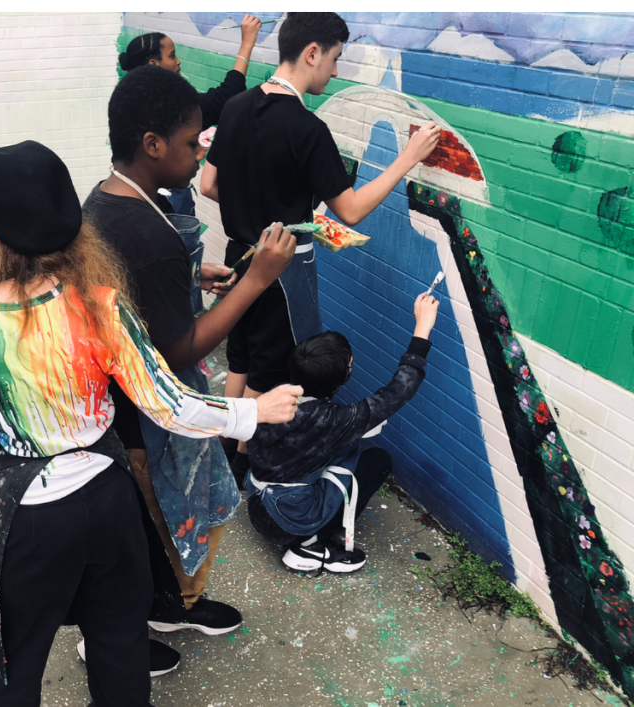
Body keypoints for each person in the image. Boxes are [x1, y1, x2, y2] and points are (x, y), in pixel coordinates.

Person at [0, 141, 302, 707]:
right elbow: (168, 403)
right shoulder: (98, 302)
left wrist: (2, 495)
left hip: (25, 515)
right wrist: (255, 409)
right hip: (109, 499)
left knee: (16, 666)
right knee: (120, 651)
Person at [82, 65, 297, 657]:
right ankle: (127, 631)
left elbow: (139, 293)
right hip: (145, 421)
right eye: (191, 142)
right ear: (152, 145)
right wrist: (255, 281)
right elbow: (178, 351)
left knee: (156, 528)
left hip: (124, 408)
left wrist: (188, 273)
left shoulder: (110, 199)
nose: (200, 153)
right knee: (156, 524)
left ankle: (176, 605)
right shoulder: (143, 235)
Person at [201, 12, 442, 479]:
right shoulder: (307, 129)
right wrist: (407, 159)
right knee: (273, 375)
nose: (335, 72)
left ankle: (224, 454)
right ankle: (248, 470)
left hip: (238, 258)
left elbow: (210, 184)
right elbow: (349, 210)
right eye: (334, 59)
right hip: (282, 274)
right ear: (312, 52)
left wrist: (266, 206)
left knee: (241, 357)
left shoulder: (235, 107)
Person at [246, 293, 440, 572]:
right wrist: (423, 329)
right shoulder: (332, 421)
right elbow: (398, 391)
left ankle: (306, 534)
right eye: (350, 365)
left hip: (258, 506)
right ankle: (311, 545)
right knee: (377, 460)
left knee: (347, 450)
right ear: (342, 378)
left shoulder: (274, 399)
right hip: (289, 521)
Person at [118, 15, 262, 217]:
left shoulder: (131, 100)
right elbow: (224, 98)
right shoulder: (170, 106)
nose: (178, 62)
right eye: (171, 56)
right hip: (169, 205)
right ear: (153, 64)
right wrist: (246, 45)